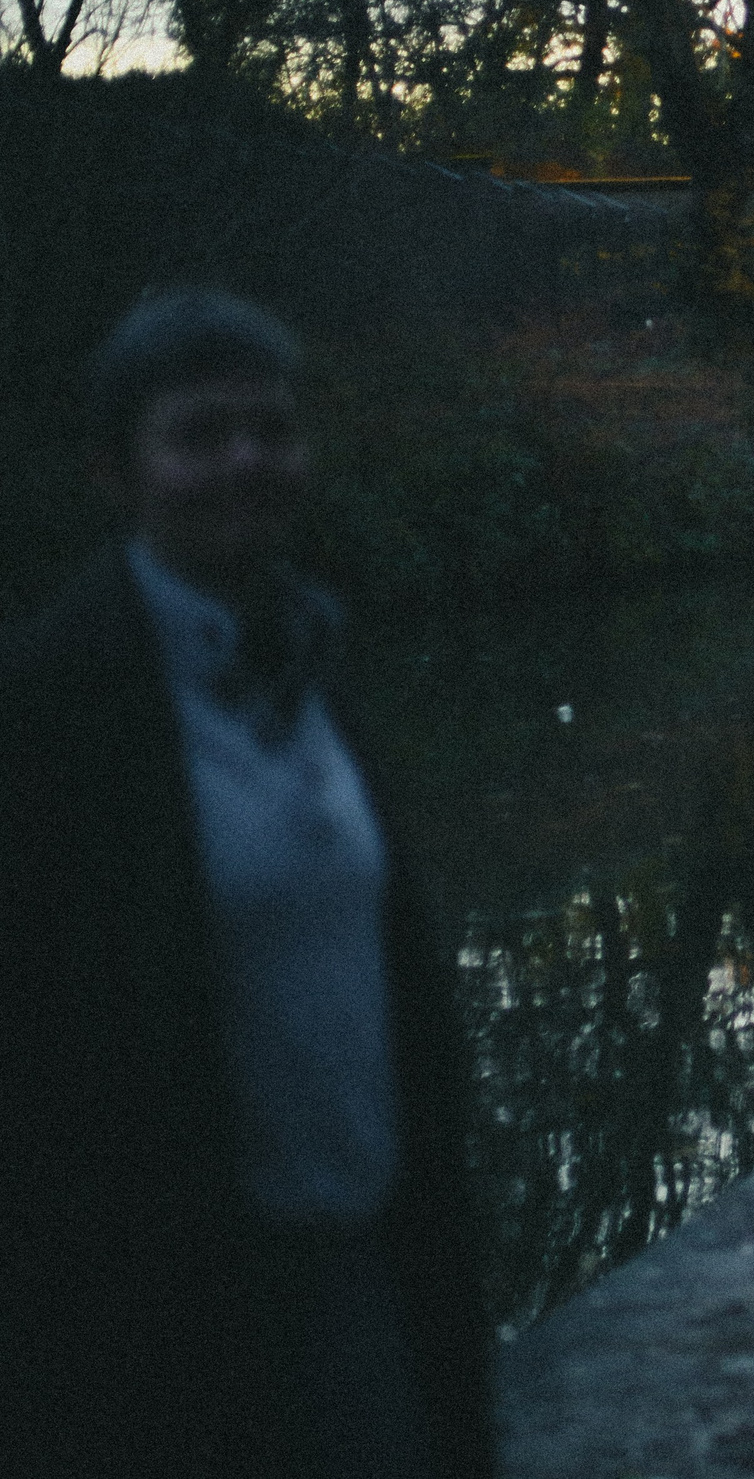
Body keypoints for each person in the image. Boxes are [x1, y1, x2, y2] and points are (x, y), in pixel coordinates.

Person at [0, 290, 493, 1478]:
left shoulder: (311, 650)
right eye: (200, 434)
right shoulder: (54, 708)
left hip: (364, 1245)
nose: (245, 462)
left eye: (271, 430)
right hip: (174, 1292)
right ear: (117, 472)